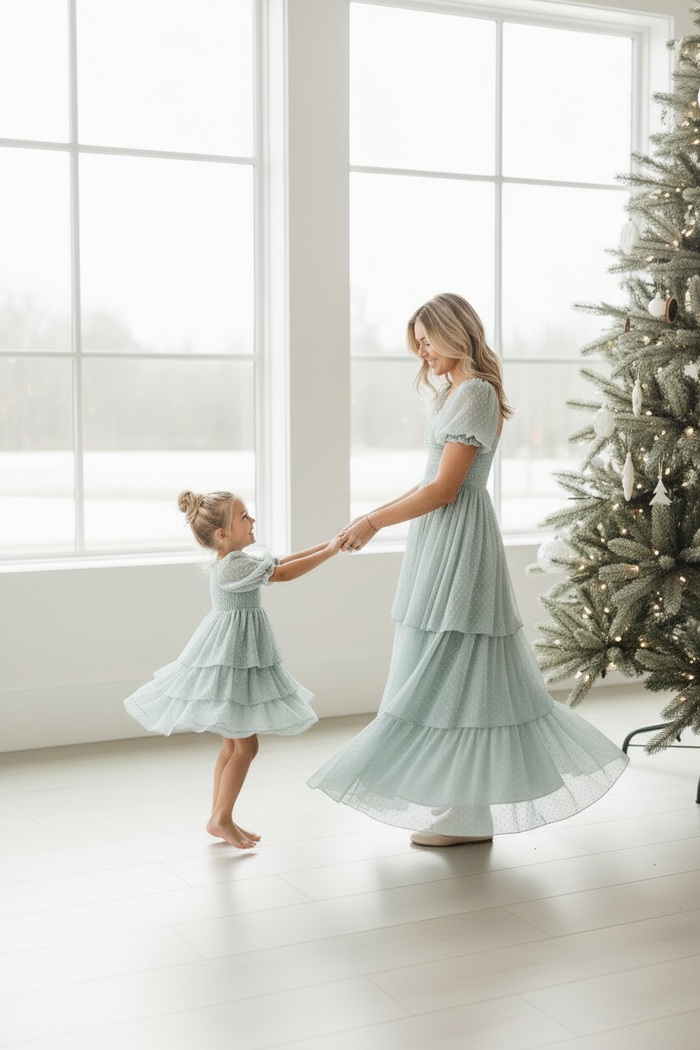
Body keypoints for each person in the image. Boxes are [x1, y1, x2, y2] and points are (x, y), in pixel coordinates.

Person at [309, 292, 628, 846]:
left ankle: (467, 811)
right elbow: (428, 478)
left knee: (457, 667)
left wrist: (374, 522)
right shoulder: (452, 392)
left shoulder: (475, 392)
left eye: (428, 340)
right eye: (418, 345)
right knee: (441, 663)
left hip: (458, 536)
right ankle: (460, 805)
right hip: (439, 536)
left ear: (456, 333)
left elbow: (446, 488)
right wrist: (372, 516)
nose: (423, 352)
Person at [125, 490, 343, 850]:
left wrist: (326, 544)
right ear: (223, 535)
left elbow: (282, 562)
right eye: (244, 517)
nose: (252, 520)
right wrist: (332, 552)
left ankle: (219, 817)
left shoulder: (235, 561)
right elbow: (284, 573)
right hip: (234, 660)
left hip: (237, 657)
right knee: (246, 748)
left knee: (232, 746)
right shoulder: (234, 565)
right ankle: (221, 817)